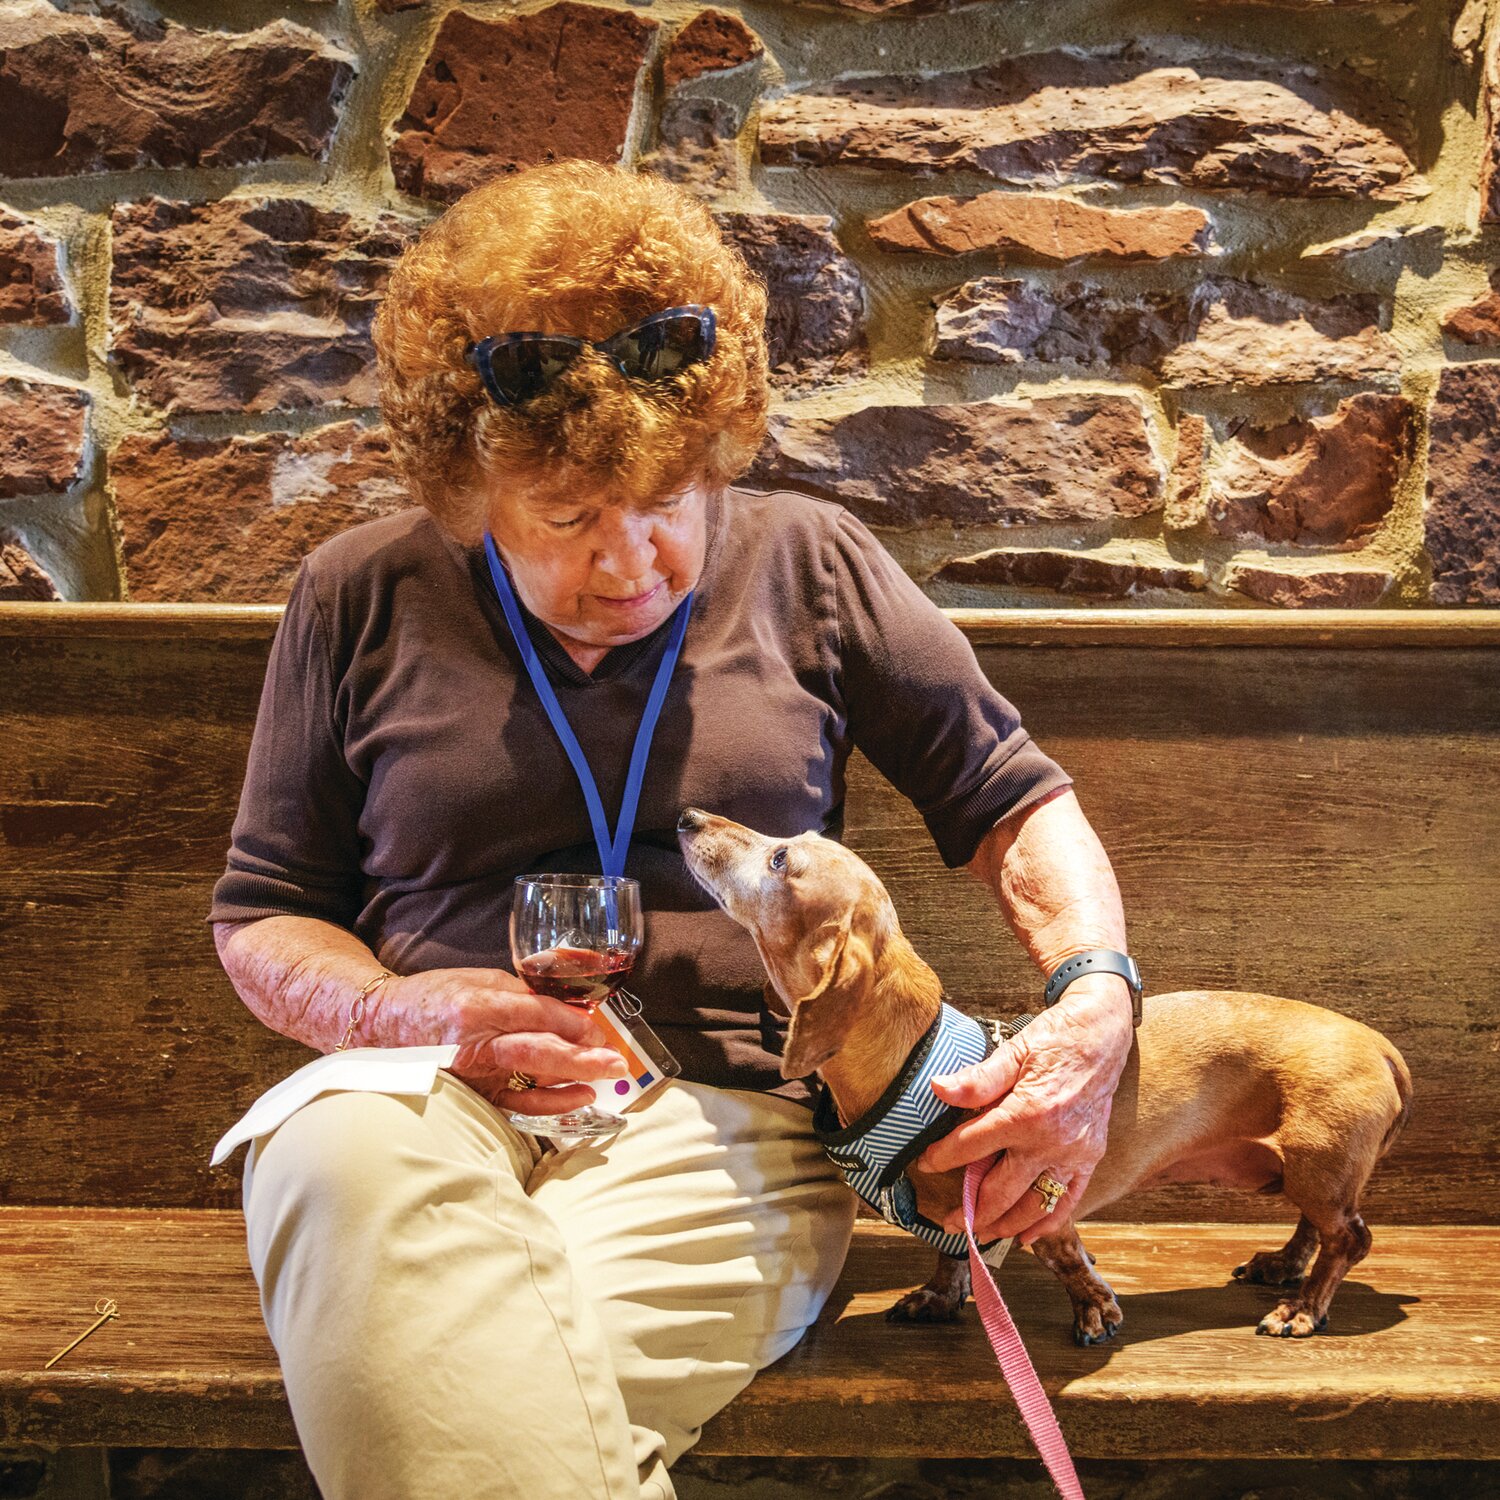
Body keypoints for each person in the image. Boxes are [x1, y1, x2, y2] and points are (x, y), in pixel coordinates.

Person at [208, 159, 1135, 1500]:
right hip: (417, 1093)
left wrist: (1097, 998)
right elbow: (263, 915)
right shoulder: (362, 591)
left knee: (447, 1386)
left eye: (670, 501)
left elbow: (1013, 805)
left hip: (728, 1121)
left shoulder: (811, 562)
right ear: (469, 494)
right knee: (336, 1165)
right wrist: (398, 1019)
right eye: (572, 518)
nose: (632, 558)